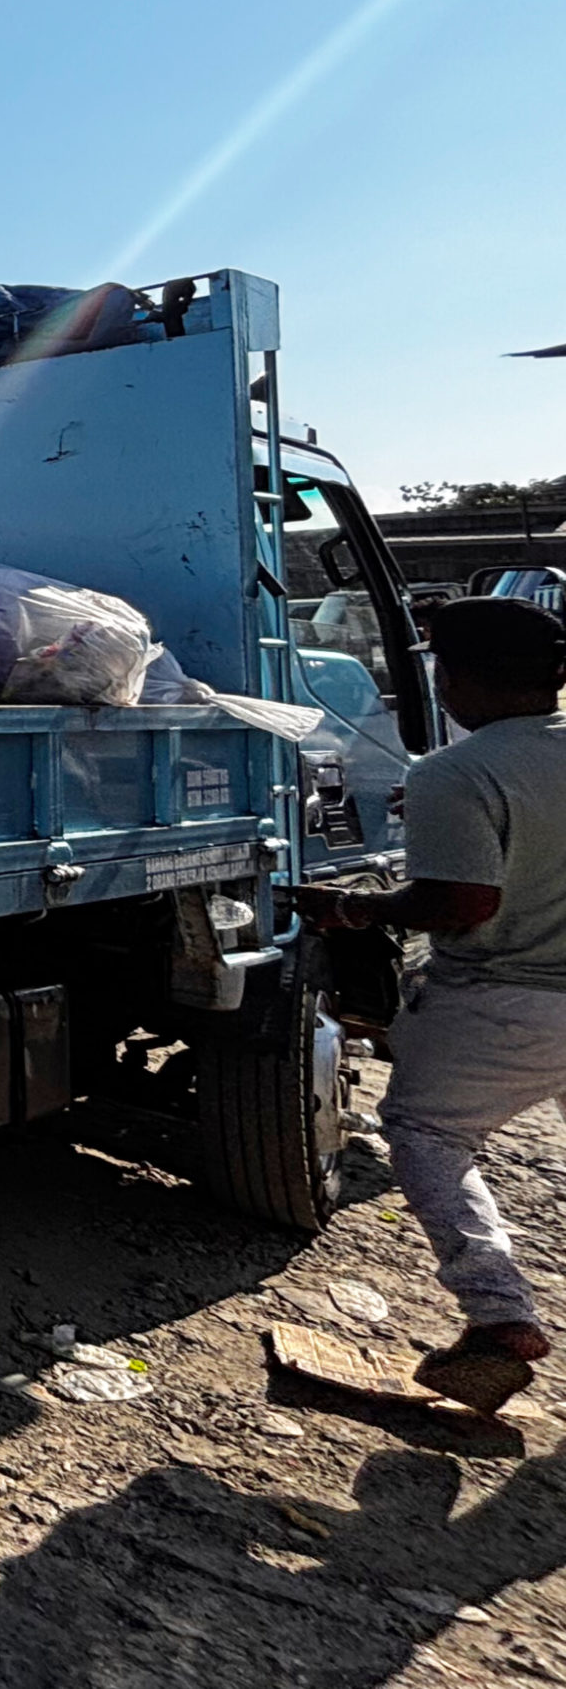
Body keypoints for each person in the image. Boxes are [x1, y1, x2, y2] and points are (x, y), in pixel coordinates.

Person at [303, 597, 566, 1411]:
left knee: (426, 1132)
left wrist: (355, 909)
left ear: (454, 678)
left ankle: (498, 1314)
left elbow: (463, 902)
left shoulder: (456, 772)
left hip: (506, 1002)